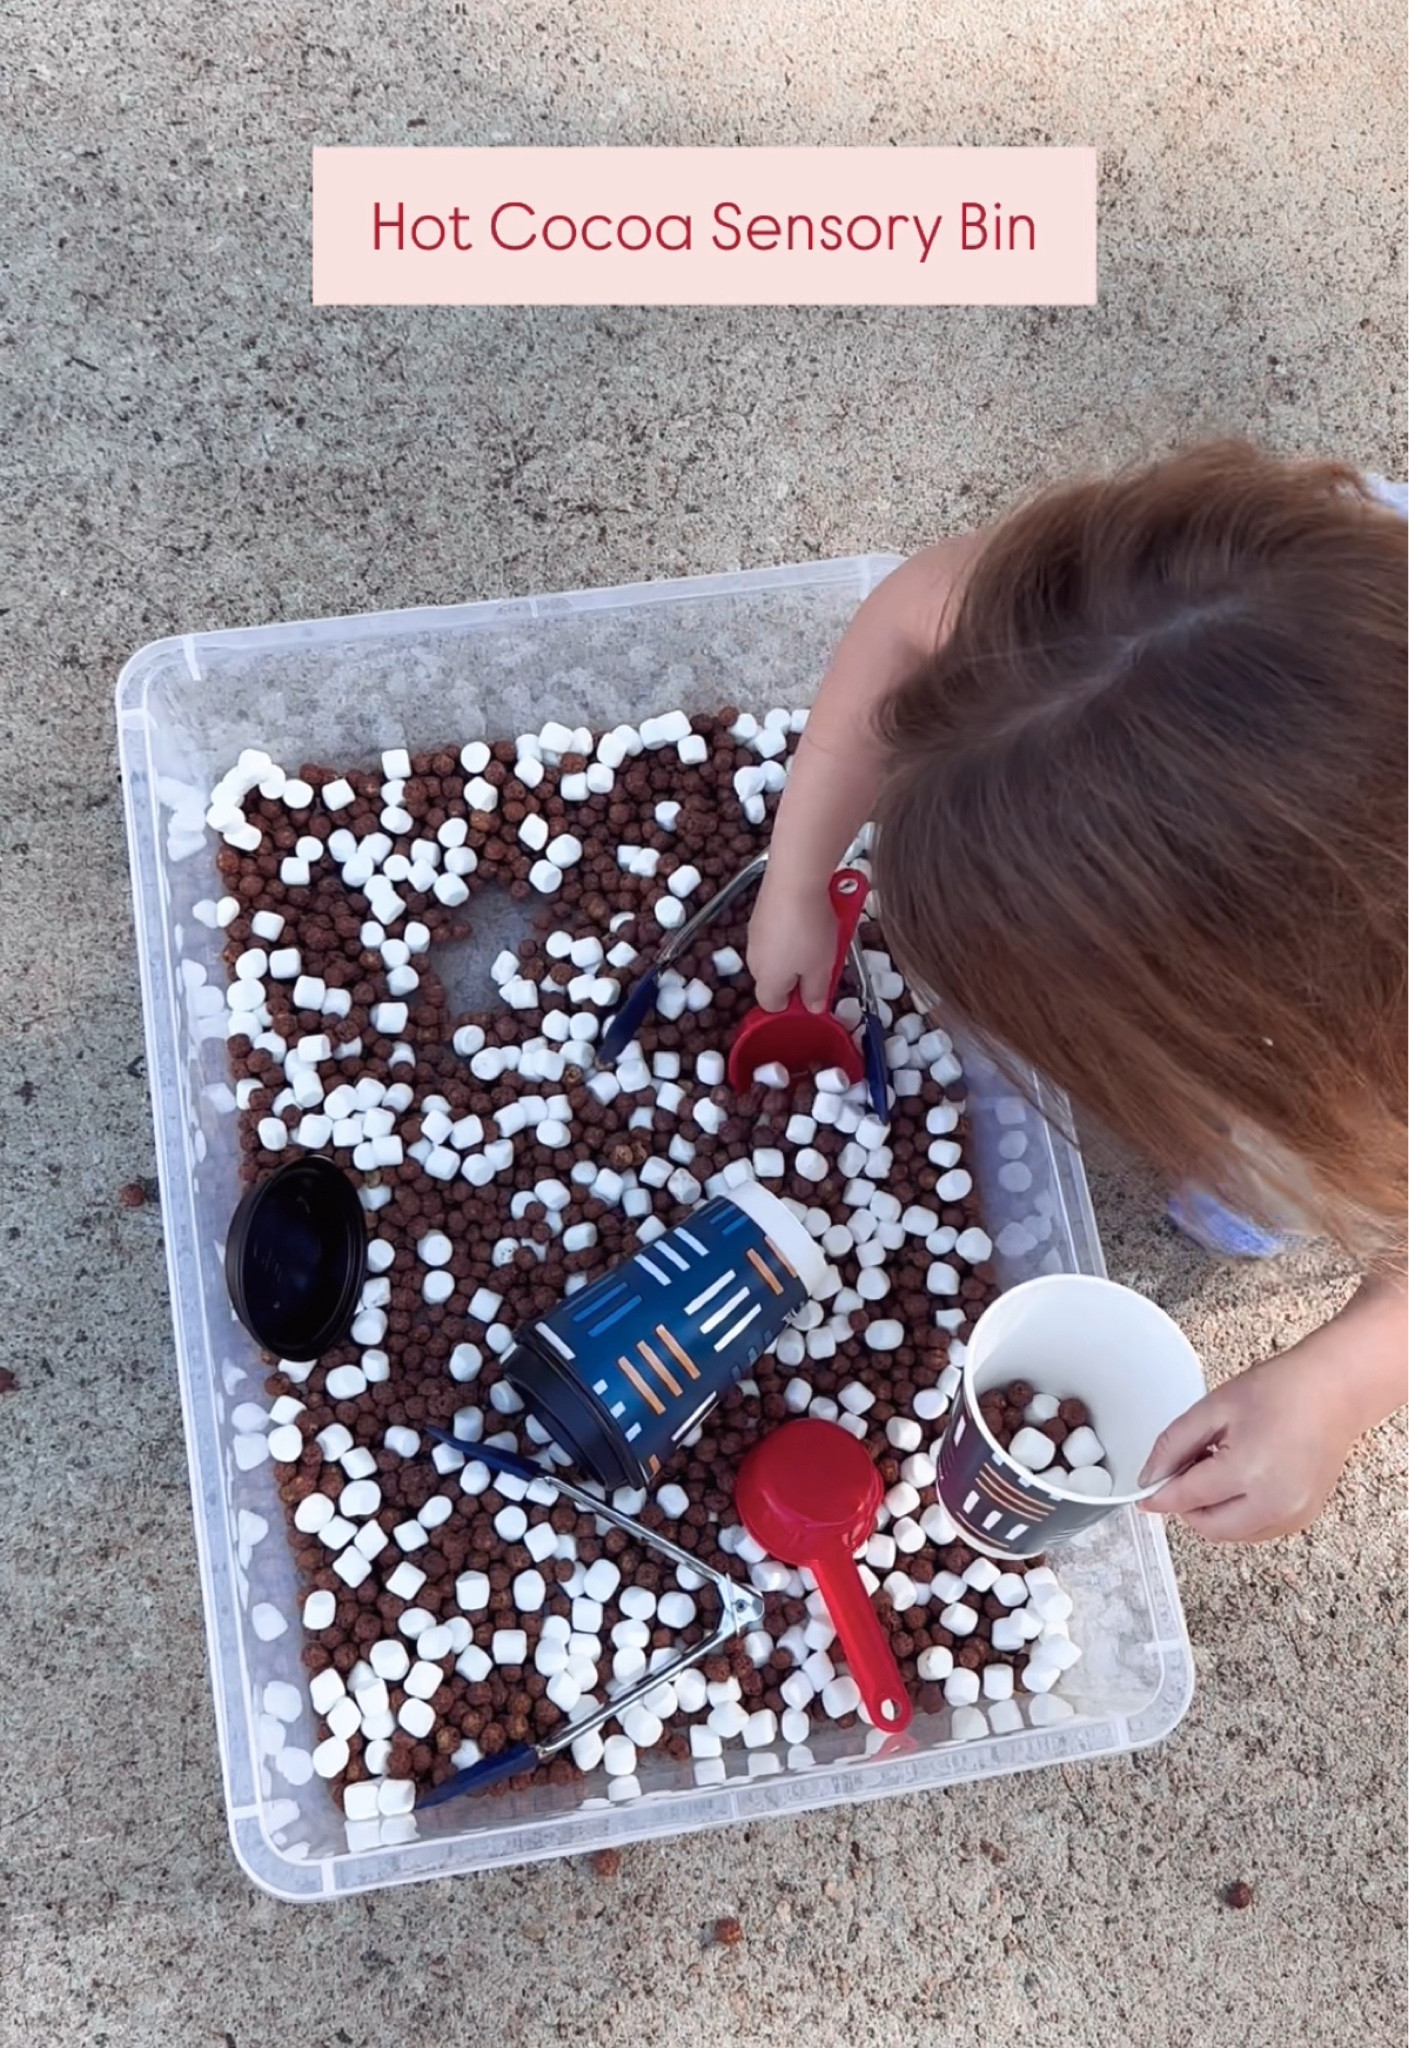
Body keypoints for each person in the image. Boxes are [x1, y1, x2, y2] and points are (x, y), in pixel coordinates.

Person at [746, 442, 1406, 1543]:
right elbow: (912, 614)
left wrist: (1340, 1381)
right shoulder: (1150, 626)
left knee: (1318, 1180)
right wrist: (799, 873)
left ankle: (1255, 1184)